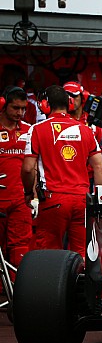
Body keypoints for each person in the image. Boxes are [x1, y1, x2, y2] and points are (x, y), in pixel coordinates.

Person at [21, 85, 102, 259]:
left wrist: (29, 192)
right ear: (69, 104)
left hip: (53, 200)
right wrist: (99, 199)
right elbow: (100, 167)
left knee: (49, 255)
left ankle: (51, 287)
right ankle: (80, 286)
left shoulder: (36, 129)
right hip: (82, 200)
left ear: (45, 104)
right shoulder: (86, 130)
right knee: (82, 255)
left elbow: (28, 168)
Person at [0, 86, 32, 272]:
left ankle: (17, 290)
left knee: (20, 246)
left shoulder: (29, 131)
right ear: (4, 105)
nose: (20, 113)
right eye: (15, 108)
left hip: (21, 199)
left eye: (23, 109)